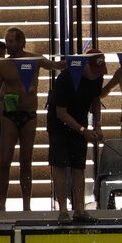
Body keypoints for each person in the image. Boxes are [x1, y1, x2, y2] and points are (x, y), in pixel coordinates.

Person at [0, 27, 47, 212]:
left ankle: (27, 206)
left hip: (29, 115)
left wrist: (77, 60)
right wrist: (6, 98)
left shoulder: (35, 59)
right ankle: (2, 204)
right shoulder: (3, 65)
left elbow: (59, 66)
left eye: (10, 41)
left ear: (22, 42)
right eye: (6, 41)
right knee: (5, 161)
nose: (7, 45)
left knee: (26, 161)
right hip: (10, 116)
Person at [45, 51, 106, 221]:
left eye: (99, 71)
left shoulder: (97, 77)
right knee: (60, 166)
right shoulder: (66, 78)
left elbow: (95, 101)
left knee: (79, 167)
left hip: (80, 124)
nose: (96, 74)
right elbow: (61, 113)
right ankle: (63, 210)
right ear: (85, 65)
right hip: (58, 127)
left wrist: (97, 126)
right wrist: (82, 130)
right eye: (93, 70)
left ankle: (79, 209)